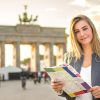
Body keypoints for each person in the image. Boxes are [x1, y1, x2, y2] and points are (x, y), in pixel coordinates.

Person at [51, 15, 100, 100]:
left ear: (92, 28)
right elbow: (69, 92)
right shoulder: (69, 57)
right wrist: (59, 88)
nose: (82, 34)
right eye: (77, 31)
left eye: (85, 28)